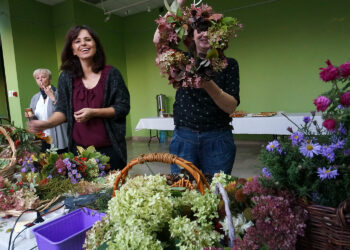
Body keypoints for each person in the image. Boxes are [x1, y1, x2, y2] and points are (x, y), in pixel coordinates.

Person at [154, 0, 240, 176]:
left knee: (216, 193)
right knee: (183, 190)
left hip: (218, 137)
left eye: (210, 29)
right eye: (200, 29)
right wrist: (178, 2)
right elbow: (158, 39)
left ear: (219, 34)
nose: (204, 34)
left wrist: (206, 81)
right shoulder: (182, 59)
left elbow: (230, 106)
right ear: (192, 35)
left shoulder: (228, 65)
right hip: (184, 137)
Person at [28, 25, 130, 170]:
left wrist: (94, 112)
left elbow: (123, 107)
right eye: (77, 41)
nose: (83, 43)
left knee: (114, 190)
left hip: (110, 149)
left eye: (88, 39)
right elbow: (63, 109)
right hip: (79, 152)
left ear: (95, 45)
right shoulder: (66, 77)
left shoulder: (111, 74)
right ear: (73, 50)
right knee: (86, 191)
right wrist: (47, 124)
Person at [26, 68, 68, 154]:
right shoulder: (35, 97)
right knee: (45, 161)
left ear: (49, 79)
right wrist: (30, 117)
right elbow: (34, 116)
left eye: (43, 77)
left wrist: (52, 97)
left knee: (60, 160)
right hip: (43, 136)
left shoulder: (59, 93)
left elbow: (64, 111)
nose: (40, 79)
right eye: (37, 78)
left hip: (58, 136)